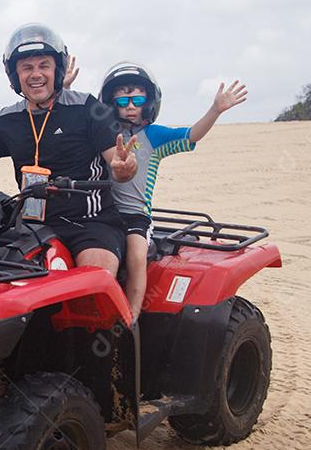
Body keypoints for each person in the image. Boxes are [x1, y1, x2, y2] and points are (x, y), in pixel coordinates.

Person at [0, 23, 137, 277]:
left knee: (94, 277)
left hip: (91, 222)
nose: (36, 74)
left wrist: (124, 168)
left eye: (44, 65)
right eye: (27, 68)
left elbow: (118, 165)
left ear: (58, 69)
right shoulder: (8, 119)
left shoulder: (86, 107)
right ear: (15, 75)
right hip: (32, 224)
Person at [100, 62, 248, 320]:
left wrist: (215, 110)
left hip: (136, 215)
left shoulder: (154, 135)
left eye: (137, 99)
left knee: (136, 257)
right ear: (112, 103)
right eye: (123, 100)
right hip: (104, 211)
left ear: (148, 101)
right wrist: (65, 88)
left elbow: (191, 135)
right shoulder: (103, 133)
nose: (131, 106)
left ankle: (130, 317)